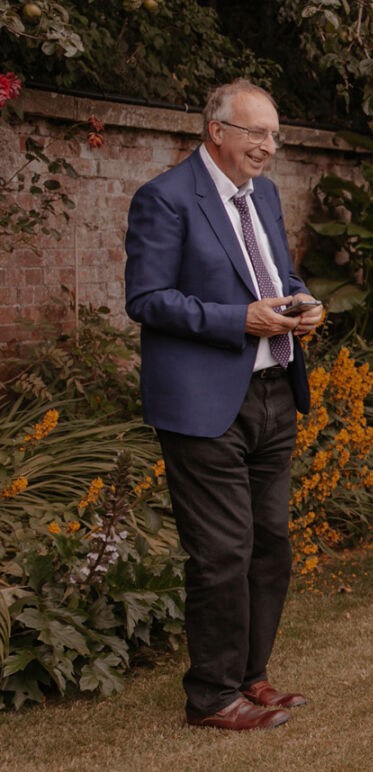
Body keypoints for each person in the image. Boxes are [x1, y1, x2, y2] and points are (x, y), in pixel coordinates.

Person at [124, 78, 324, 731]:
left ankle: (249, 677)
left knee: (271, 544)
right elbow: (148, 299)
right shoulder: (165, 198)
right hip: (202, 402)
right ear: (217, 131)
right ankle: (211, 697)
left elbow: (276, 277)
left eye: (273, 135)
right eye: (257, 133)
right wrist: (238, 319)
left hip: (272, 391)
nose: (269, 147)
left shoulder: (262, 195)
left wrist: (301, 302)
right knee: (222, 552)